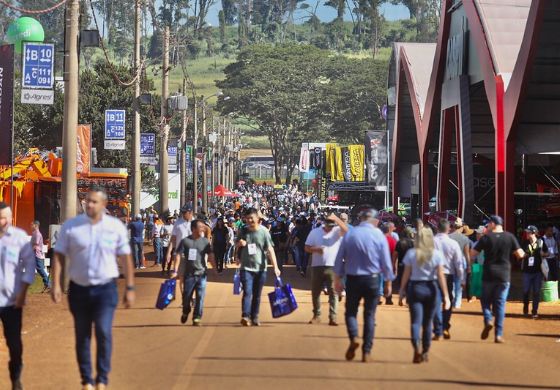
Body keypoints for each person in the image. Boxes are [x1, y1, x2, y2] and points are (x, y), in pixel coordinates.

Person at [51, 187, 135, 390]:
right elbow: (59, 255)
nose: (89, 205)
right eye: (87, 201)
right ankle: (87, 379)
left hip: (106, 289)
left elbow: (125, 257)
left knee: (104, 332)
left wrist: (130, 287)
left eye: (94, 202)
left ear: (104, 205)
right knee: (82, 335)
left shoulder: (115, 227)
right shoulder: (72, 226)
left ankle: (102, 379)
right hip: (79, 290)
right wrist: (56, 284)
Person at [334, 208, 394, 363]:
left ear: (360, 219)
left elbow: (339, 258)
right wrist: (388, 283)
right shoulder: (379, 235)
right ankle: (366, 351)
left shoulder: (350, 234)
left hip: (353, 279)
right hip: (373, 280)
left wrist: (337, 280)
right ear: (374, 221)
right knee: (369, 315)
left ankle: (354, 337)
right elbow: (386, 262)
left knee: (351, 312)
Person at [399, 227, 451, 363]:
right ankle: (425, 351)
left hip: (415, 288)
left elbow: (406, 274)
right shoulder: (437, 254)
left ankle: (416, 347)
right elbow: (441, 276)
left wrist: (401, 292)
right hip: (431, 288)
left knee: (415, 322)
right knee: (427, 324)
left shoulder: (411, 253)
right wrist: (445, 295)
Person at [470, 215, 524, 344]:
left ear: (493, 224)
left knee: (485, 301)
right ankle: (498, 335)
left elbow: (472, 254)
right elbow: (520, 254)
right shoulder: (509, 237)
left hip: (489, 274)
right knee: (500, 304)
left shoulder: (486, 238)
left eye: (489, 224)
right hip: (504, 275)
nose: (488, 226)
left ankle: (488, 319)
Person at [0, 203, 35, 390]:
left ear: (11, 217)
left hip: (12, 301)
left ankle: (15, 377)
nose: (2, 221)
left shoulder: (19, 238)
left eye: (5, 217)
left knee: (14, 343)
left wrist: (23, 292)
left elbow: (30, 265)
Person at [236, 208, 281, 326]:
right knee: (247, 292)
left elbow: (270, 249)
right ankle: (245, 316)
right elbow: (237, 243)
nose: (249, 220)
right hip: (246, 268)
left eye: (252, 218)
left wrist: (275, 267)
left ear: (257, 218)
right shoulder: (243, 231)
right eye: (247, 218)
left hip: (261, 269)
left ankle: (255, 316)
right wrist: (239, 246)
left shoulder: (264, 232)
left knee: (257, 294)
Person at [171, 220, 217, 326]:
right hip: (189, 275)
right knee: (186, 296)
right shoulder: (185, 241)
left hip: (202, 274)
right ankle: (186, 311)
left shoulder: (205, 242)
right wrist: (175, 270)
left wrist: (214, 269)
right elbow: (178, 255)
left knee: (200, 296)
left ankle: (197, 317)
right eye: (200, 227)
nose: (203, 228)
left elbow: (210, 256)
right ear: (193, 229)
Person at [305, 214, 348, 326]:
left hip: (333, 266)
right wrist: (316, 249)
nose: (330, 228)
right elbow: (306, 247)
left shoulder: (337, 231)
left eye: (332, 225)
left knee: (333, 292)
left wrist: (337, 219)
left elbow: (347, 230)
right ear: (324, 224)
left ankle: (333, 317)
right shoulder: (315, 232)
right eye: (329, 225)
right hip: (317, 266)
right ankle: (316, 315)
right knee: (316, 292)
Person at [432, 219, 463, 340]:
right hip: (448, 276)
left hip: (433, 276)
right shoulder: (453, 244)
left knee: (436, 302)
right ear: (449, 229)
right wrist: (461, 278)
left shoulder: (431, 242)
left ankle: (438, 329)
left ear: (437, 228)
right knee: (448, 301)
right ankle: (445, 325)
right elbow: (459, 263)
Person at [520, 226, 548, 319]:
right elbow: (520, 254)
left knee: (536, 292)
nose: (527, 234)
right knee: (525, 291)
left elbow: (547, 253)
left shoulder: (541, 242)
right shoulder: (525, 243)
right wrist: (523, 255)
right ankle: (525, 307)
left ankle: (534, 311)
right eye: (526, 232)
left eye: (528, 232)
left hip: (537, 272)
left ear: (533, 233)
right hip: (526, 271)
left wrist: (543, 254)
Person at [449, 218, 471, 309]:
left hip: (451, 261)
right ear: (461, 227)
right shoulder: (465, 238)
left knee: (452, 283)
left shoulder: (449, 236)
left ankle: (453, 298)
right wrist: (469, 265)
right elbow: (467, 253)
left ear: (454, 226)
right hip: (462, 261)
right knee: (459, 282)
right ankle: (457, 303)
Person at [31, 220, 50, 291]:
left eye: (32, 225)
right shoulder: (35, 233)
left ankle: (48, 284)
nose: (31, 226)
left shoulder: (37, 234)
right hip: (35, 254)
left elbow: (35, 245)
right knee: (38, 269)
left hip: (37, 254)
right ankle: (47, 283)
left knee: (40, 269)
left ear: (36, 225)